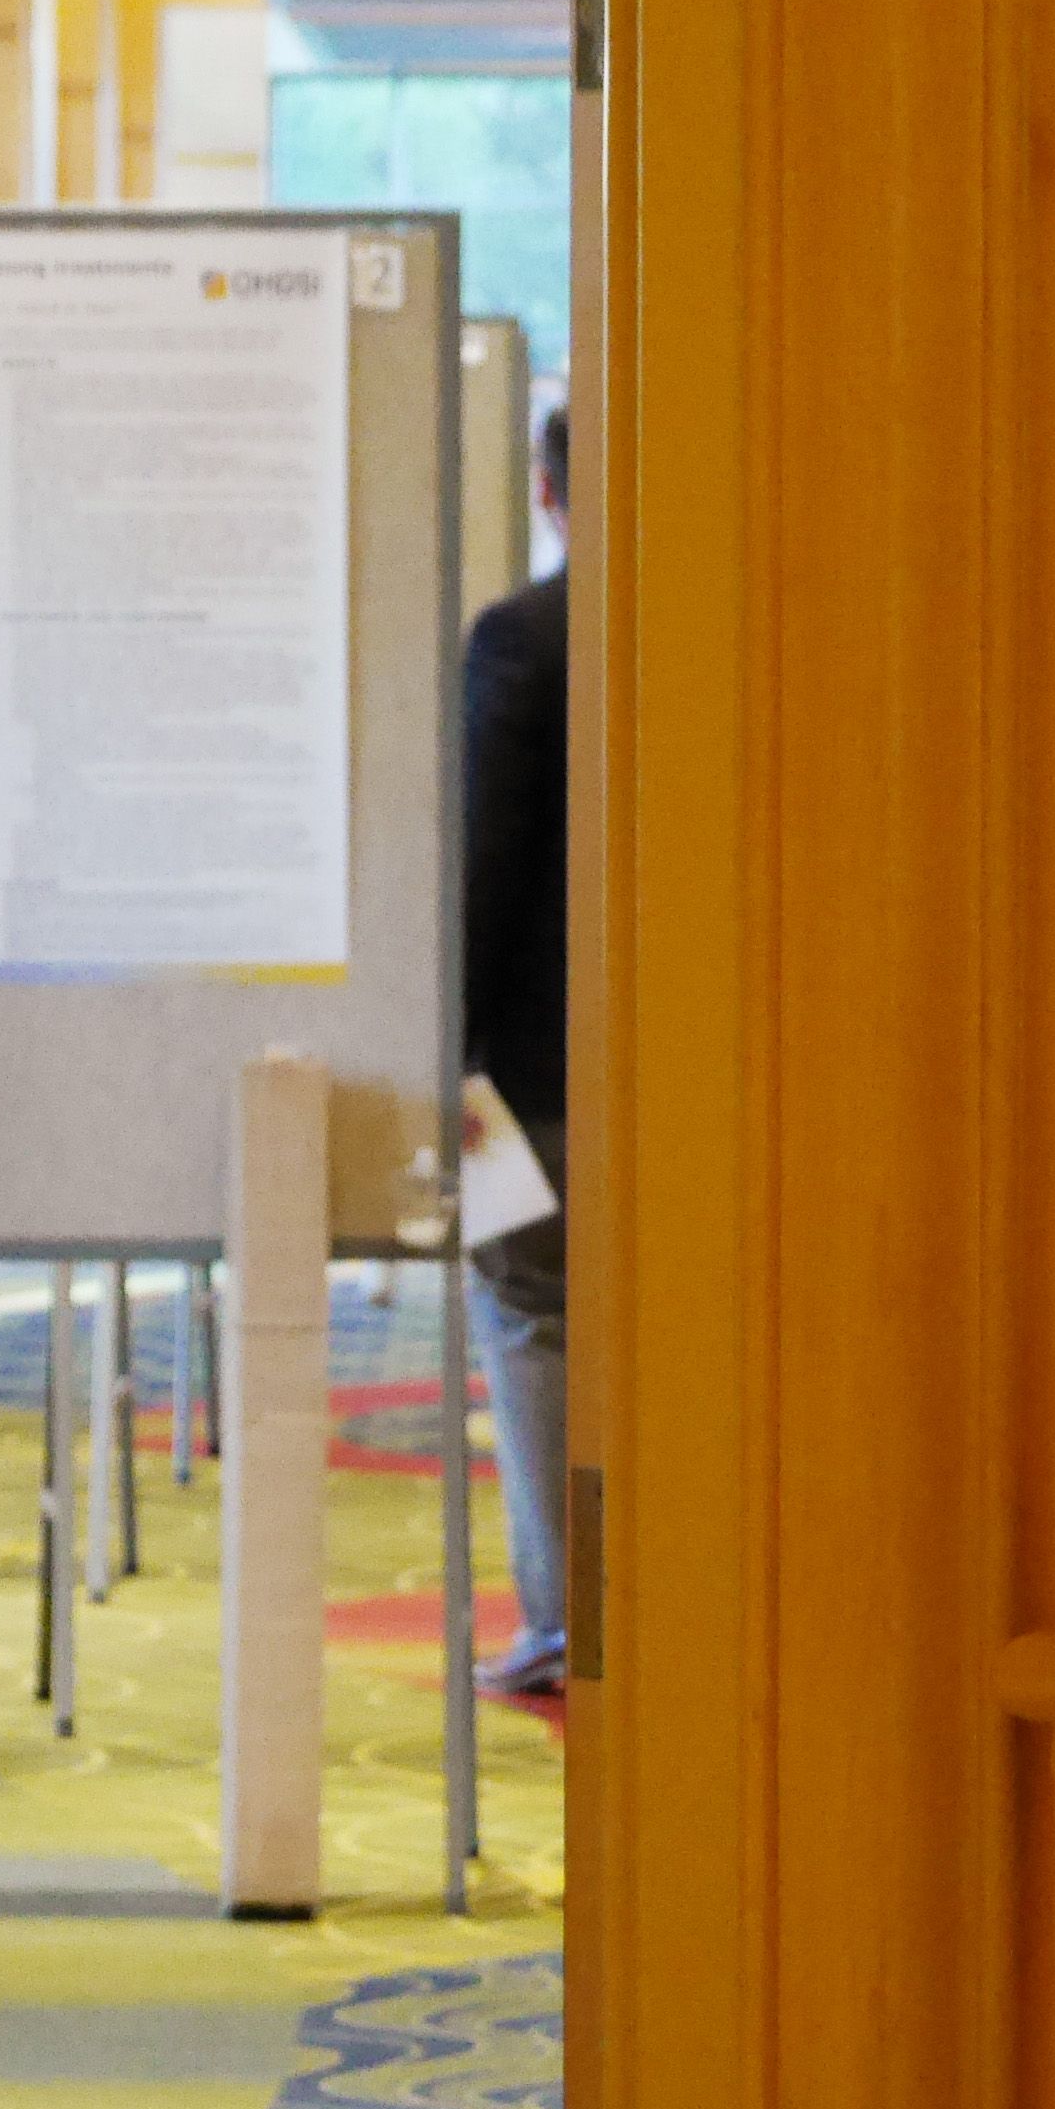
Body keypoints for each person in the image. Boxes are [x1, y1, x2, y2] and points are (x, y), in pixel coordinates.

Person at [463, 407, 571, 1696]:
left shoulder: (524, 638)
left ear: (548, 495)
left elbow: (480, 867)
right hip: (701, 1079)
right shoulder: (740, 621)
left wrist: (442, 1050)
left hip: (534, 1077)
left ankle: (567, 1621)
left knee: (533, 1318)